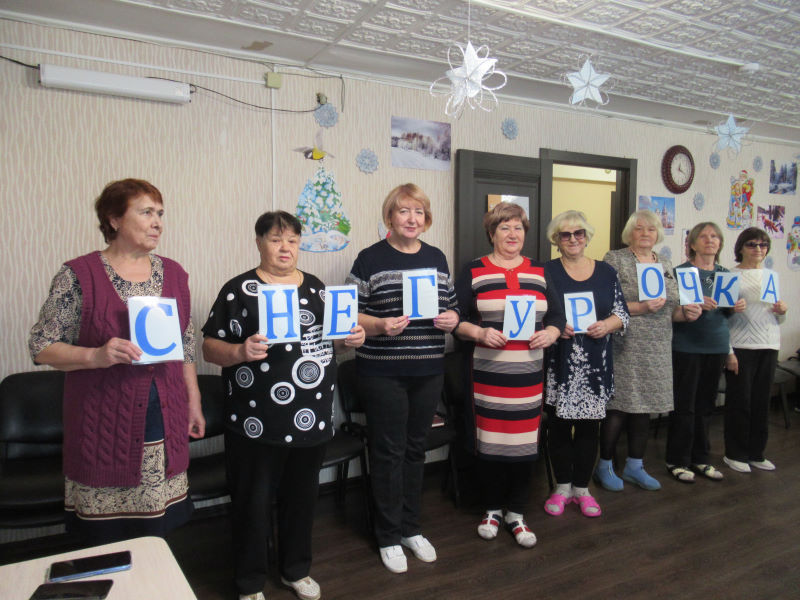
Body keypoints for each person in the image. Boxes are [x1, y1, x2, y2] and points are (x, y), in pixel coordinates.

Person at [28, 178, 205, 544]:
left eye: (160, 214)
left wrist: (194, 401)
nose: (157, 223)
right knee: (105, 538)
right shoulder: (79, 275)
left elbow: (185, 344)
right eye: (146, 212)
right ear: (113, 219)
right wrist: (96, 355)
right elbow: (41, 346)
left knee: (157, 532)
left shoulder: (174, 273)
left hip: (165, 418)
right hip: (105, 425)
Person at [203, 211, 365, 600]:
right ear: (259, 243)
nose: (285, 247)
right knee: (252, 503)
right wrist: (240, 351)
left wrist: (350, 340)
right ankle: (249, 583)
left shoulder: (317, 289)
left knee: (302, 500)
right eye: (276, 239)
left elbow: (331, 343)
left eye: (292, 240)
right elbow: (209, 347)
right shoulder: (239, 290)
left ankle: (296, 570)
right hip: (256, 421)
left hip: (311, 418)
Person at [346, 184, 459, 573]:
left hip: (428, 370)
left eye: (419, 212)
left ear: (426, 219)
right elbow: (349, 312)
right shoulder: (369, 258)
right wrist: (379, 324)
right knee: (388, 452)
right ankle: (388, 536)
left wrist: (453, 318)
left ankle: (411, 528)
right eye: (404, 211)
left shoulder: (436, 257)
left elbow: (453, 307)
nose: (412, 218)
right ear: (389, 217)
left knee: (415, 450)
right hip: (383, 371)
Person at [454, 202, 563, 546]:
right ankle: (491, 510)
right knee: (490, 443)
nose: (512, 234)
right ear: (492, 233)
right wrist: (479, 332)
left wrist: (551, 333)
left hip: (529, 376)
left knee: (523, 445)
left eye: (517, 227)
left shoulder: (540, 272)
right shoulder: (473, 271)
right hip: (487, 376)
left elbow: (557, 317)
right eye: (504, 227)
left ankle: (516, 512)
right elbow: (454, 319)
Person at [595, 210, 700, 492]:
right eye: (639, 228)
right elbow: (604, 303)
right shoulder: (615, 259)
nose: (645, 233)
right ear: (629, 233)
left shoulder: (664, 262)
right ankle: (604, 466)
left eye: (651, 229)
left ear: (658, 234)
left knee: (645, 408)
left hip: (659, 346)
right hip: (625, 344)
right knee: (619, 407)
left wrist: (686, 314)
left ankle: (635, 465)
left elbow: (671, 310)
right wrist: (640, 308)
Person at [542, 211, 629, 518]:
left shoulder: (606, 272)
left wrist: (607, 325)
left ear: (587, 236)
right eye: (565, 234)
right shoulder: (546, 271)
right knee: (559, 428)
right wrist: (554, 326)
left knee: (589, 429)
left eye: (578, 233)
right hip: (559, 365)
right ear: (556, 240)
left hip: (595, 364)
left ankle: (582, 489)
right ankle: (562, 488)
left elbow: (622, 313)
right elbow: (536, 311)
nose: (573, 239)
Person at [666, 222, 745, 483]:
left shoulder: (725, 275)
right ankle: (677, 460)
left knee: (705, 407)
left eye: (714, 236)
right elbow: (669, 312)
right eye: (703, 236)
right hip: (686, 347)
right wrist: (693, 307)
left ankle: (700, 458)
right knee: (684, 406)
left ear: (720, 243)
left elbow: (725, 314)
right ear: (692, 243)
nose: (710, 240)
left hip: (716, 346)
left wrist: (735, 307)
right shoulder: (680, 273)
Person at [723, 228, 787, 473]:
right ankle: (735, 453)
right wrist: (729, 352)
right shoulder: (730, 276)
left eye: (763, 245)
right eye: (752, 244)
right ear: (740, 247)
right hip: (741, 346)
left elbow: (776, 317)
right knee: (740, 402)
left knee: (761, 402)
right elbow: (722, 318)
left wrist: (782, 312)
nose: (758, 249)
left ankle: (756, 453)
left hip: (769, 344)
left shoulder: (771, 276)